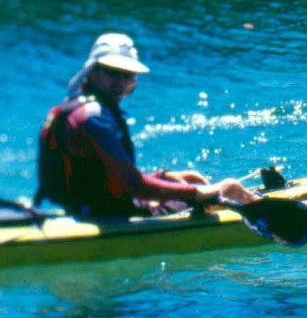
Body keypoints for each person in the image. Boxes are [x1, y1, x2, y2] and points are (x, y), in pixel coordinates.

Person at [36, 33, 260, 218]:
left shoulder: (76, 108)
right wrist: (195, 194)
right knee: (229, 186)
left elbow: (107, 176)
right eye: (113, 72)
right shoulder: (94, 117)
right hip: (107, 214)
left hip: (86, 208)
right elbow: (133, 185)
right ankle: (258, 208)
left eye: (128, 74)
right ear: (93, 72)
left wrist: (162, 177)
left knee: (188, 179)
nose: (120, 82)